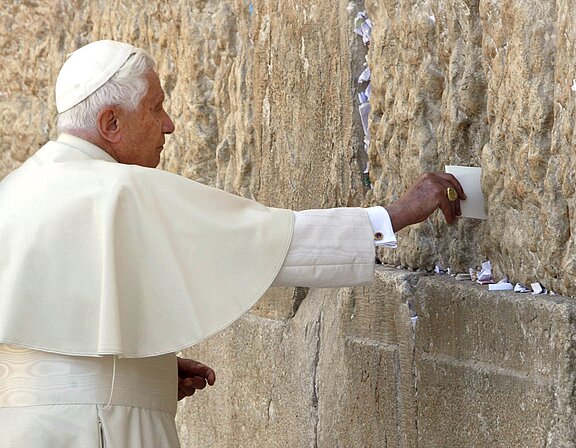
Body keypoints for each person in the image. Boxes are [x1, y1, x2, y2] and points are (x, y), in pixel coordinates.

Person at [0, 40, 465, 447]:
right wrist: (397, 214)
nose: (169, 125)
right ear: (110, 122)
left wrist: (145, 372)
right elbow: (270, 242)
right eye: (156, 108)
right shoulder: (122, 190)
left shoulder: (13, 191)